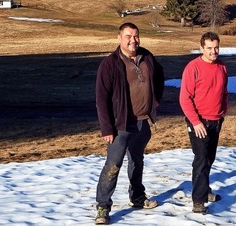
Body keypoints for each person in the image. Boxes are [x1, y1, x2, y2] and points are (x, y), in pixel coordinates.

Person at [94, 22, 165, 224]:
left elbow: (159, 76)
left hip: (142, 121)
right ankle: (103, 206)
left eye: (136, 36)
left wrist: (155, 100)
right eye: (128, 36)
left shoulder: (147, 57)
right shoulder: (110, 63)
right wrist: (107, 127)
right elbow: (101, 98)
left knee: (137, 161)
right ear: (119, 38)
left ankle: (137, 197)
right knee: (113, 164)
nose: (133, 40)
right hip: (120, 124)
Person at [179, 32, 228, 214]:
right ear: (201, 48)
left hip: (216, 120)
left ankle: (205, 191)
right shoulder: (193, 68)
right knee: (201, 160)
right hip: (198, 122)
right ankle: (198, 201)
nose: (213, 51)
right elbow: (185, 98)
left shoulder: (222, 67)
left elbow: (224, 91)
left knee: (209, 159)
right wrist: (195, 122)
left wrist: (223, 111)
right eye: (209, 48)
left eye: (216, 47)